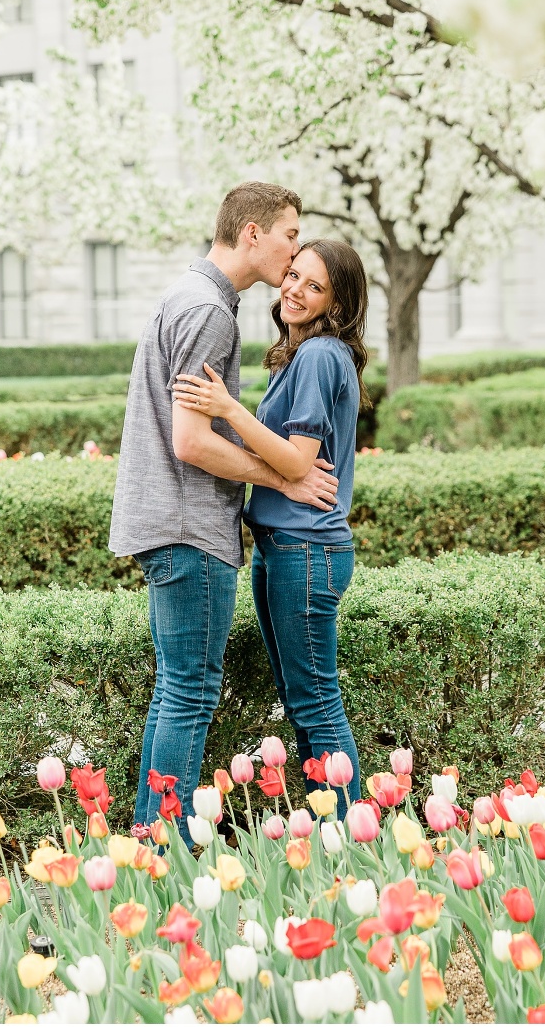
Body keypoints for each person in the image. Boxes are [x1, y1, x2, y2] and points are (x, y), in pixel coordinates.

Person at [109, 184, 340, 842]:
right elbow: (190, 440)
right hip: (188, 528)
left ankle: (152, 843)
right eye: (290, 234)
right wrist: (283, 479)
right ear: (252, 234)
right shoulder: (210, 309)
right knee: (189, 695)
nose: (296, 248)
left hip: (169, 525)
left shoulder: (190, 294)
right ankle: (169, 848)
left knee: (176, 691)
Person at [173, 239, 368, 818]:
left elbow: (296, 462)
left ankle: (355, 833)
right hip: (284, 546)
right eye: (294, 276)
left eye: (314, 286)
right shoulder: (303, 355)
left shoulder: (319, 356)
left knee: (316, 702)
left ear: (339, 302)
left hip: (306, 548)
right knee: (304, 700)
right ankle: (330, 823)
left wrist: (228, 409)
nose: (294, 291)